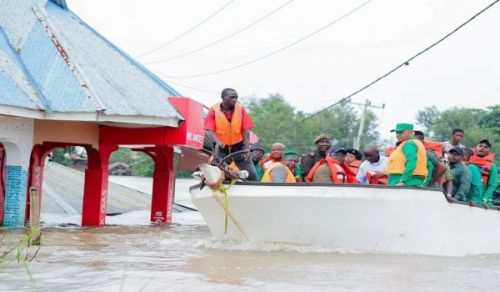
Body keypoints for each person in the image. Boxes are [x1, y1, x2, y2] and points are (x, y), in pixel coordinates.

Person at [204, 88, 257, 181]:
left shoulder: (241, 109)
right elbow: (209, 129)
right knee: (215, 171)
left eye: (236, 97)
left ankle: (252, 187)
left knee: (251, 174)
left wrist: (246, 147)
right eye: (232, 97)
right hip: (221, 146)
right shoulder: (214, 110)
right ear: (223, 98)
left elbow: (245, 130)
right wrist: (217, 141)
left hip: (239, 146)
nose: (235, 100)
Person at [468, 139, 498, 207]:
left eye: (486, 147)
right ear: (476, 148)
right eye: (480, 146)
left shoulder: (492, 166)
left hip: (481, 199)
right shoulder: (468, 162)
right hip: (468, 198)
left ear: (489, 151)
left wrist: (484, 199)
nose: (482, 148)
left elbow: (492, 185)